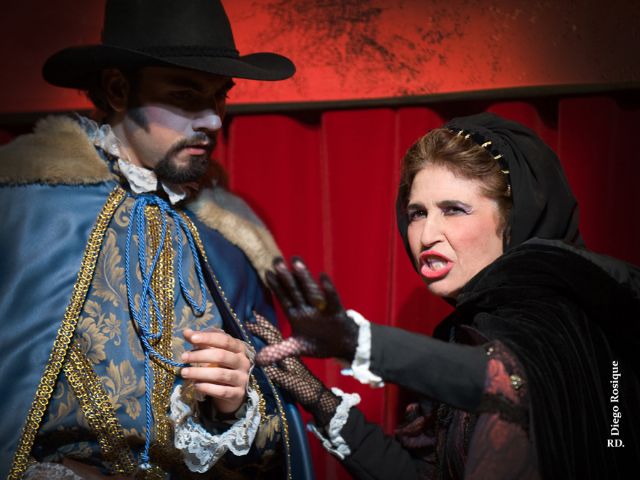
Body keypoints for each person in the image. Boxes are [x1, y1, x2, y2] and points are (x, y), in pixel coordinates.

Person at [0, 1, 314, 479]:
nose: (213, 121)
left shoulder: (226, 240)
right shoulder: (25, 212)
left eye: (219, 97)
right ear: (118, 89)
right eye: (186, 96)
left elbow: (273, 444)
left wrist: (235, 405)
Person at [249, 112, 640, 479]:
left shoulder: (563, 315)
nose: (426, 235)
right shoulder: (464, 332)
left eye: (454, 209)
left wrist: (360, 342)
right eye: (417, 213)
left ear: (512, 220)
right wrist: (320, 401)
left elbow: (505, 376)